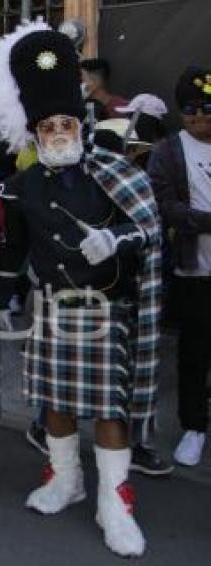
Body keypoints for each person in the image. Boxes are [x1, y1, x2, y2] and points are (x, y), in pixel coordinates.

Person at [0, 21, 161, 557]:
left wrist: (116, 238)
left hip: (106, 308)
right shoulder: (19, 187)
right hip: (52, 307)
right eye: (48, 126)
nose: (59, 132)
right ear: (35, 132)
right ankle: (67, 480)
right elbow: (13, 251)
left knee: (110, 410)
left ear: (81, 123)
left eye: (67, 122)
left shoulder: (113, 171)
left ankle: (116, 504)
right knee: (54, 402)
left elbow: (150, 233)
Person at [147, 66, 211, 468]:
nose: (200, 117)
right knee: (195, 352)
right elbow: (164, 206)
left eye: (207, 109)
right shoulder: (167, 151)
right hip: (195, 269)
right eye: (191, 110)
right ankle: (194, 426)